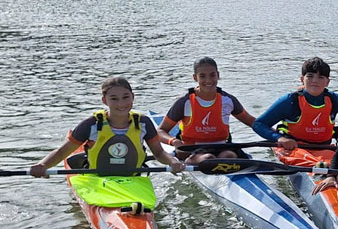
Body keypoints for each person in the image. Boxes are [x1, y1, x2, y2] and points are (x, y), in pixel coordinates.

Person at [29, 77, 185, 198]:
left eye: (126, 97)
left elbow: (158, 153)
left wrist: (172, 161)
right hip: (96, 179)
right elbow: (63, 152)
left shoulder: (143, 123)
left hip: (133, 180)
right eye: (114, 99)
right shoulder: (90, 125)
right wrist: (43, 165)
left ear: (133, 97)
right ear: (105, 101)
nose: (121, 103)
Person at [157, 57, 257, 163]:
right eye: (202, 76)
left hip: (222, 149)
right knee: (207, 158)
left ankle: (223, 166)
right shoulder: (184, 102)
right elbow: (160, 131)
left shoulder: (228, 100)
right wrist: (174, 142)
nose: (208, 80)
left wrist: (275, 136)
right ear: (195, 78)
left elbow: (253, 122)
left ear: (218, 75)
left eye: (212, 75)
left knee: (229, 156)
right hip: (192, 151)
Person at [252, 56, 338, 149]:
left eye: (320, 77)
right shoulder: (290, 101)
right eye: (310, 76)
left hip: (325, 148)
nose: (315, 81)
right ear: (302, 79)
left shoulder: (336, 100)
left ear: (327, 82)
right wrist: (279, 138)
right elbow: (259, 124)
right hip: (294, 148)